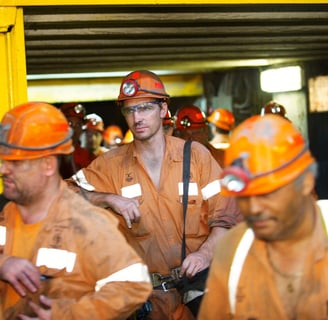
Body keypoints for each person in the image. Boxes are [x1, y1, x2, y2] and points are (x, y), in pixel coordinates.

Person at [68, 70, 242, 319]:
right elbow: (63, 193)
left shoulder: (196, 158)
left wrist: (205, 254)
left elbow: (226, 219)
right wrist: (106, 198)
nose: (137, 117)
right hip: (147, 301)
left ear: (163, 109)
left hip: (197, 292)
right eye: (129, 110)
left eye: (145, 108)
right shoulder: (110, 166)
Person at [0, 102, 152, 320]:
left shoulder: (86, 224)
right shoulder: (5, 214)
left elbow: (133, 286)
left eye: (14, 162)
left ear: (48, 166)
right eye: (3, 160)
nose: (4, 170)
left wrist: (65, 316)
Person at [198, 114, 327, 320]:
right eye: (245, 196)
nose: (254, 209)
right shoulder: (233, 249)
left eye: (267, 194)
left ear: (306, 183)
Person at [59, 102, 94, 178]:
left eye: (78, 124)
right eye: (70, 124)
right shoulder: (52, 154)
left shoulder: (87, 157)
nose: (74, 129)